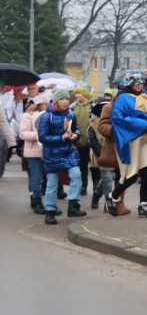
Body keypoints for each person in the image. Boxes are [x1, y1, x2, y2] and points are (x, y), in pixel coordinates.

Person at [105, 71, 147, 218]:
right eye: (136, 83)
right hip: (132, 141)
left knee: (146, 172)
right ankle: (113, 197)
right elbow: (118, 119)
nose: (140, 85)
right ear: (129, 84)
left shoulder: (145, 97)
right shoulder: (122, 99)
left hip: (146, 140)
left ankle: (143, 205)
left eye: (141, 82)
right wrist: (141, 124)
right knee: (131, 175)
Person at [38, 89, 87, 225]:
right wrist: (61, 137)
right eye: (62, 99)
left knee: (77, 175)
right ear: (56, 101)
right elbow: (42, 137)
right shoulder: (47, 117)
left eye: (67, 99)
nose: (65, 102)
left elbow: (76, 129)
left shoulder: (71, 114)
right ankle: (50, 212)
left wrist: (75, 135)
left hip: (68, 151)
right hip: (52, 153)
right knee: (52, 184)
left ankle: (72, 205)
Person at [18, 94, 49, 214]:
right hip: (33, 152)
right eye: (45, 103)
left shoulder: (50, 115)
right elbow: (22, 133)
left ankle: (50, 204)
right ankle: (37, 201)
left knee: (49, 179)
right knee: (36, 178)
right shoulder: (28, 115)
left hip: (47, 152)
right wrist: (38, 135)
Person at [72, 85, 101, 202]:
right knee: (81, 165)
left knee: (94, 166)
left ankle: (96, 187)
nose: (77, 95)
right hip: (78, 141)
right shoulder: (73, 106)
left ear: (85, 94)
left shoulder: (93, 105)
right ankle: (83, 186)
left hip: (91, 142)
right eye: (76, 93)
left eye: (80, 93)